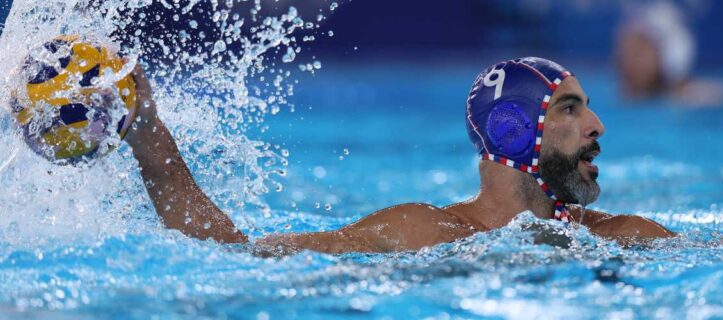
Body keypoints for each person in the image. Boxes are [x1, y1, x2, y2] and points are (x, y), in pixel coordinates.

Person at [124, 57, 675, 256]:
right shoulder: (422, 232)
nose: (598, 126)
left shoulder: (627, 236)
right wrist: (151, 139)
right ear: (511, 132)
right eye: (571, 109)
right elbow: (232, 254)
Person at [614, 0, 723, 106]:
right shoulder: (627, 101)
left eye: (638, 53)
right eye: (625, 52)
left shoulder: (701, 99)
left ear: (670, 55)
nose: (628, 61)